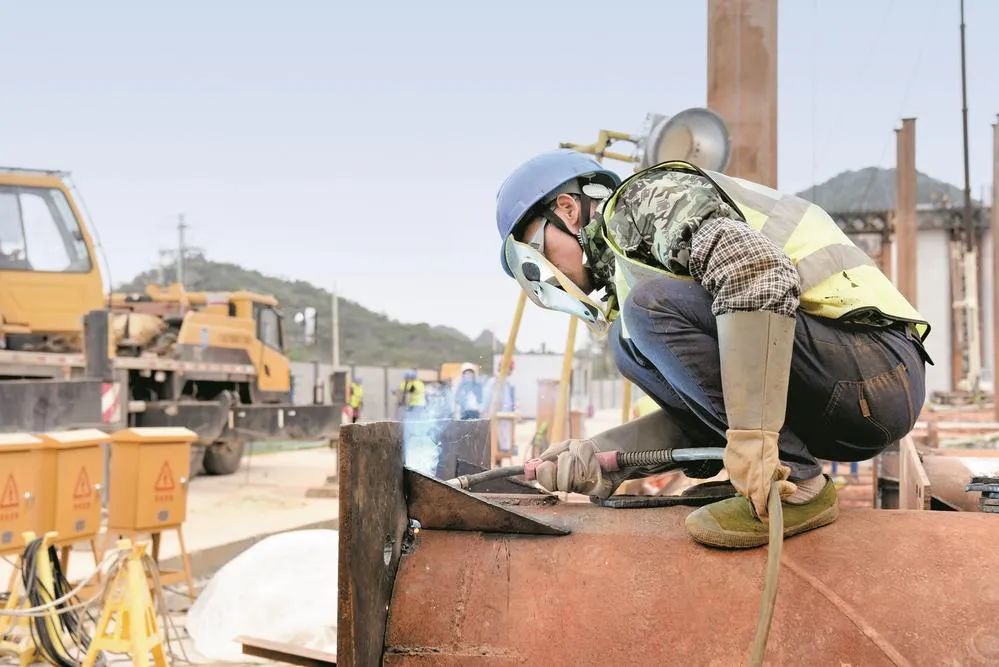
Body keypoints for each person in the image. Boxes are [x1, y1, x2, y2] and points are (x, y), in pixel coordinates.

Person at [495, 149, 929, 548]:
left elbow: (755, 269)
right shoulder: (631, 282)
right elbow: (708, 415)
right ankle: (784, 475)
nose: (548, 273)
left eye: (537, 253)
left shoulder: (639, 203)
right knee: (627, 342)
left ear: (568, 210)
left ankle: (800, 488)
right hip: (840, 397)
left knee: (646, 311)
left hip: (874, 367)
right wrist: (602, 455)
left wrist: (753, 437)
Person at [483, 360, 517, 453]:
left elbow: (512, 400)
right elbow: (486, 398)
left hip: (506, 416)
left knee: (504, 441)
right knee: (494, 440)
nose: (509, 371)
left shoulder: (509, 384)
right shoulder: (493, 382)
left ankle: (501, 455)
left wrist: (515, 410)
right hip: (495, 415)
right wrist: (485, 411)